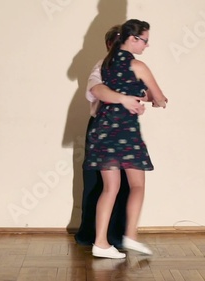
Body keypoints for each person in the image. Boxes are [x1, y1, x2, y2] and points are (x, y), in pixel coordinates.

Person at [83, 19, 168, 259]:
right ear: (132, 39)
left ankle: (100, 243)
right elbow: (159, 98)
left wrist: (136, 96)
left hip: (103, 128)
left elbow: (99, 90)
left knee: (110, 188)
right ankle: (130, 235)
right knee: (137, 185)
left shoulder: (106, 65)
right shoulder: (138, 65)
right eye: (145, 40)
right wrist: (156, 100)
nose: (146, 45)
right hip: (125, 132)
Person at [75, 25, 146, 249]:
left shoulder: (133, 68)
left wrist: (141, 99)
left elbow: (145, 93)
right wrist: (124, 99)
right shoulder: (103, 66)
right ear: (109, 45)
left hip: (125, 130)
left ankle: (117, 237)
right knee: (100, 186)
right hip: (103, 129)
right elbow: (97, 90)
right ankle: (96, 237)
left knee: (125, 186)